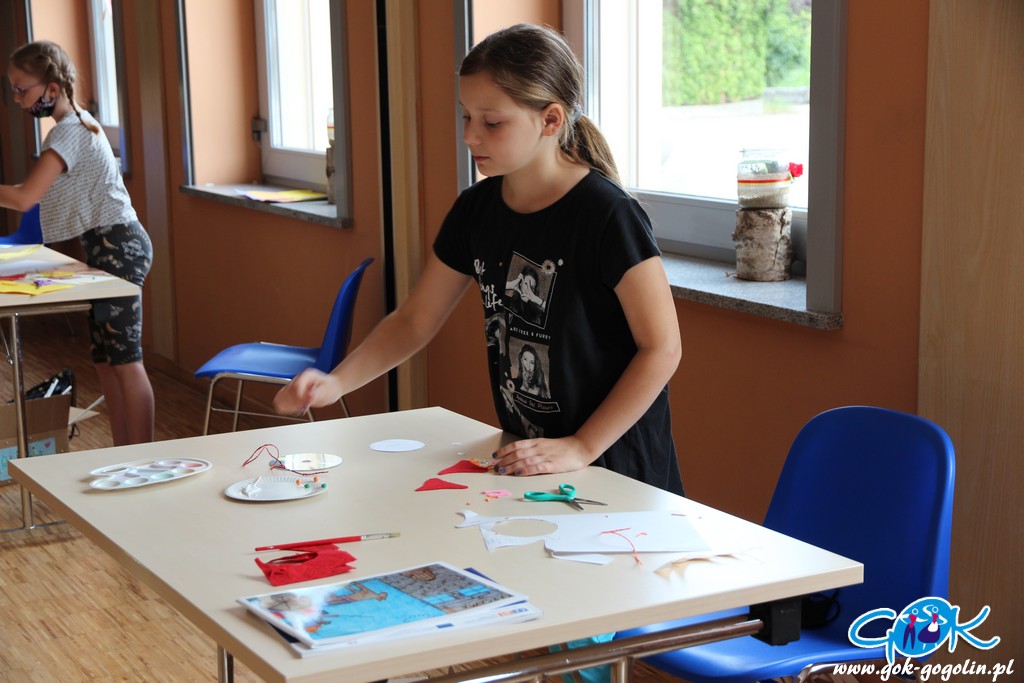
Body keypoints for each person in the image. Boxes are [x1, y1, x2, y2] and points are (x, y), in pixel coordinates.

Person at [274, 23, 683, 496]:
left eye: (492, 123)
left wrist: (581, 446)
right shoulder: (476, 209)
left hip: (615, 465)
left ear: (551, 120)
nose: (470, 136)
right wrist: (335, 382)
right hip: (527, 458)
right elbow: (413, 321)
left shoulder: (608, 215)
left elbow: (662, 349)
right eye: (466, 116)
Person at [0, 40, 154, 445]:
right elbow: (29, 192)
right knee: (106, 360)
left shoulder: (69, 132)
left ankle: (143, 458)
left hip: (119, 247)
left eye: (22, 89)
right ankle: (123, 453)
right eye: (12, 89)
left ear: (52, 88)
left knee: (126, 361)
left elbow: (25, 198)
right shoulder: (74, 125)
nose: (17, 98)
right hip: (105, 247)